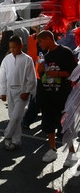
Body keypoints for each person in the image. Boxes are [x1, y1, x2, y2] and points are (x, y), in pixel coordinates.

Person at [36, 30, 78, 166]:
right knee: (48, 124)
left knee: (65, 126)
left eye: (41, 41)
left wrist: (57, 73)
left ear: (48, 39)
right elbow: (41, 75)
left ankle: (71, 152)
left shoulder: (65, 52)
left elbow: (73, 72)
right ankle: (52, 149)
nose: (40, 45)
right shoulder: (45, 56)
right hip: (48, 96)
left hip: (62, 96)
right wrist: (40, 68)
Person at [0, 35, 37, 150]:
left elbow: (31, 77)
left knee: (15, 117)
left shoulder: (27, 59)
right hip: (10, 91)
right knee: (14, 118)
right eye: (11, 47)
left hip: (21, 92)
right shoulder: (7, 59)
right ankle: (16, 141)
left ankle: (7, 136)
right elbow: (2, 76)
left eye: (15, 47)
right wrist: (2, 92)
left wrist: (27, 91)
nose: (13, 50)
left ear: (21, 46)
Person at [22, 24, 44, 129]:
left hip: (42, 71)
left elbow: (41, 54)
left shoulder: (48, 38)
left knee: (37, 98)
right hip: (33, 69)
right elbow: (29, 51)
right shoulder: (31, 37)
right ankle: (27, 120)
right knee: (35, 97)